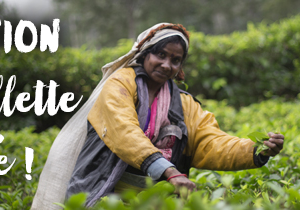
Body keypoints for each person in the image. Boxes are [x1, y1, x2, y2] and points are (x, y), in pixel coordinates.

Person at [31, 23, 285, 209]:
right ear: (145, 54)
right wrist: (170, 171)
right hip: (103, 191)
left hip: (154, 199)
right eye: (160, 55)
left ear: (180, 67)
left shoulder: (184, 104)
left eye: (175, 60)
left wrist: (257, 150)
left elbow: (210, 143)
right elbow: (124, 130)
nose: (167, 65)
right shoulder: (120, 84)